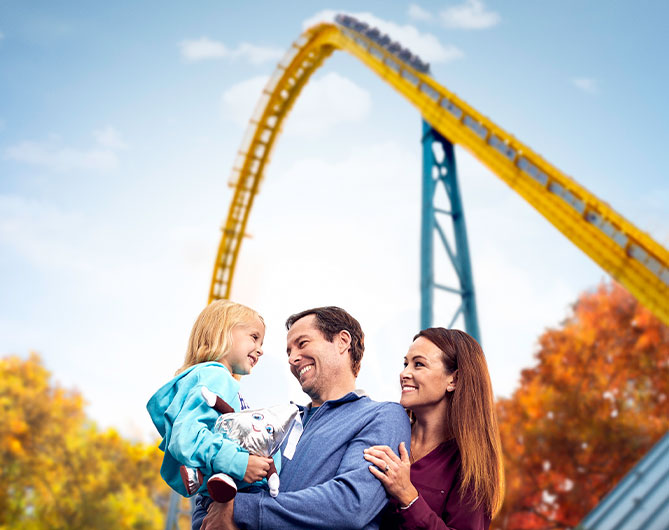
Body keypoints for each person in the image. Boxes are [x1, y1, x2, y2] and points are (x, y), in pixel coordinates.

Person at [197, 306, 412, 530]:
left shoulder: (383, 416)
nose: (292, 358)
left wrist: (241, 509)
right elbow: (213, 499)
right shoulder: (273, 423)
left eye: (302, 343)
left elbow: (350, 504)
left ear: (343, 341)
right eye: (288, 352)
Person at [363, 328, 505, 529]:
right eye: (406, 364)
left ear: (453, 380)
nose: (404, 373)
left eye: (418, 364)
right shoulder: (386, 433)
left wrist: (408, 496)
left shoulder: (469, 464)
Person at [147, 300, 275, 502]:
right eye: (254, 337)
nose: (260, 350)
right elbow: (186, 435)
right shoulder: (217, 377)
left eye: (261, 343)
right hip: (240, 496)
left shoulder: (214, 378)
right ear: (223, 332)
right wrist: (239, 462)